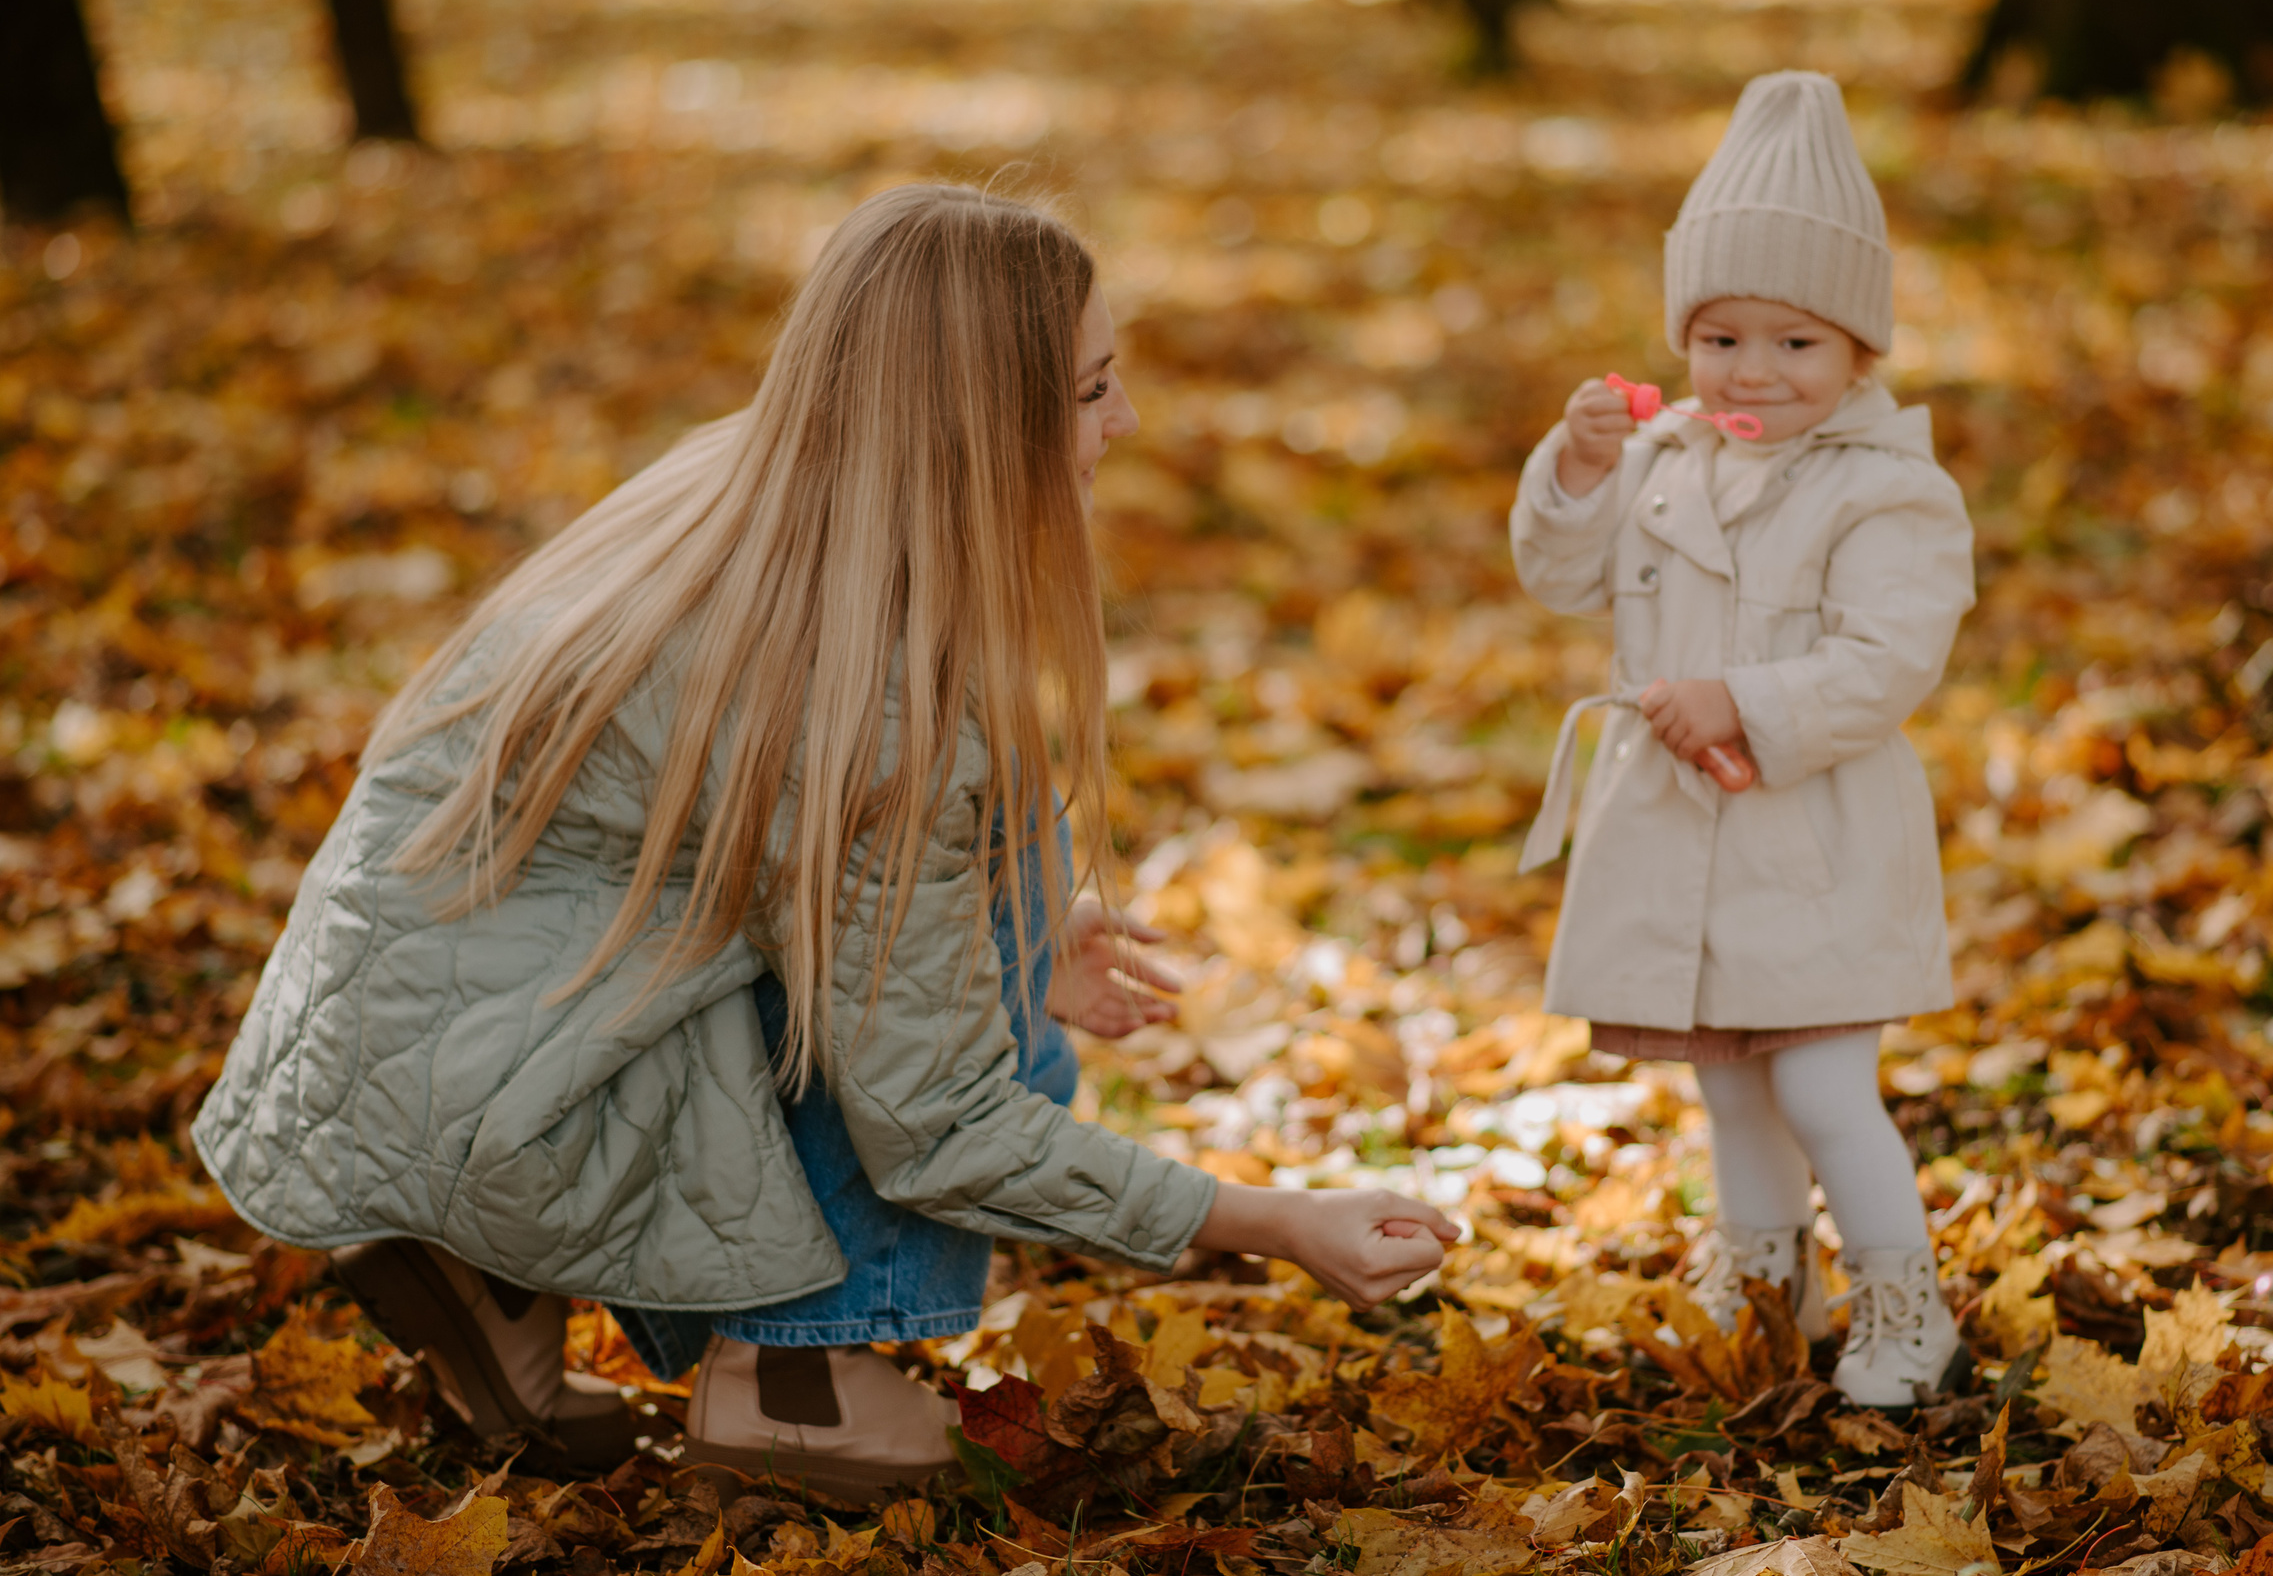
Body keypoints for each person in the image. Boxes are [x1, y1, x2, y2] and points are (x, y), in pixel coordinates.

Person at [190, 184, 1456, 1497]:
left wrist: (1019, 931)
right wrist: (1276, 1223)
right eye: (1088, 391)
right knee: (938, 913)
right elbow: (942, 1119)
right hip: (486, 1083)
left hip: (429, 1045)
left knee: (978, 845)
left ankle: (493, 1273)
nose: (1125, 422)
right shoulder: (868, 713)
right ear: (972, 420)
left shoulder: (765, 485)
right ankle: (802, 1371)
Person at [1510, 72, 1976, 1407]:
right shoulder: (1664, 463)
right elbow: (1560, 570)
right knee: (1731, 1088)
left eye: (1796, 344)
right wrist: (1580, 469)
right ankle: (1770, 1283)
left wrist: (1746, 702)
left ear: (1860, 352)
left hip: (1808, 837)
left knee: (1825, 1083)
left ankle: (1908, 1305)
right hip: (1683, 839)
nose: (1753, 374)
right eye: (1721, 340)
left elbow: (1888, 659)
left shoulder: (1889, 491)